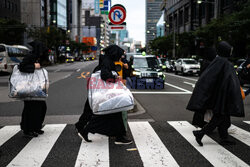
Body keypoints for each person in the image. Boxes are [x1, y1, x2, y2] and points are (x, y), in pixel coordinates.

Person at [187, 41, 245, 146]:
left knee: (223, 118)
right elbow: (230, 81)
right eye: (230, 50)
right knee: (220, 117)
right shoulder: (226, 63)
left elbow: (209, 79)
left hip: (219, 96)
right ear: (226, 51)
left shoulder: (217, 61)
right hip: (223, 97)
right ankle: (200, 133)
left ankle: (224, 138)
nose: (231, 52)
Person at [75, 45, 132, 145]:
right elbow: (104, 75)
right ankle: (85, 129)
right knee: (105, 114)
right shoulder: (107, 61)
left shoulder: (106, 60)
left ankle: (119, 136)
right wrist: (115, 78)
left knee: (106, 112)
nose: (120, 57)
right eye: (119, 55)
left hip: (100, 90)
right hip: (103, 91)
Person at [19, 40, 47, 137]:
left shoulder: (37, 56)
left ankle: (36, 127)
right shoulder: (30, 56)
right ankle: (28, 130)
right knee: (31, 108)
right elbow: (21, 67)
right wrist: (34, 66)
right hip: (28, 86)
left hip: (35, 86)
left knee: (41, 107)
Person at [192, 47, 217, 128]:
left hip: (203, 86)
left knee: (203, 107)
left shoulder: (204, 61)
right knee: (207, 107)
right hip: (208, 87)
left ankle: (200, 123)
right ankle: (205, 124)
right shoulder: (210, 63)